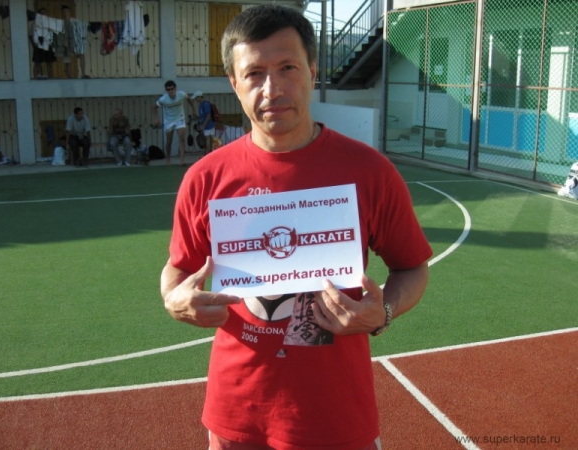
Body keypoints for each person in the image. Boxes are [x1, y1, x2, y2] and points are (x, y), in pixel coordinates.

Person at [160, 5, 432, 450]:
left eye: (287, 67)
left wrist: (383, 311)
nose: (273, 88)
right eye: (254, 73)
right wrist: (174, 299)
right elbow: (178, 268)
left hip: (336, 416)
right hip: (237, 418)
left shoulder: (369, 171)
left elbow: (412, 267)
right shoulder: (205, 178)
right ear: (234, 83)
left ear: (312, 70)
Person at [152, 80, 197, 165]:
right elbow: (154, 107)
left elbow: (189, 99)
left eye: (172, 89)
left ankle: (182, 160)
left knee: (182, 137)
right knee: (169, 140)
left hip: (180, 118)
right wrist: (156, 118)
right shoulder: (163, 99)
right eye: (168, 89)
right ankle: (168, 159)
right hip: (168, 120)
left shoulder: (181, 94)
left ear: (175, 88)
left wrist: (194, 110)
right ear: (166, 90)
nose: (170, 91)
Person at [57, 5, 88, 79]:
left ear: (69, 12)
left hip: (76, 42)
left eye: (67, 11)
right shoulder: (61, 23)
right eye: (64, 12)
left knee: (82, 55)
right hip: (65, 43)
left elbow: (80, 31)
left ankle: (83, 74)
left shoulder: (75, 21)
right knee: (67, 61)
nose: (65, 13)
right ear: (62, 13)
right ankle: (70, 77)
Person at [30, 8, 57, 79]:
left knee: (49, 63)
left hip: (48, 45)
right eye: (41, 13)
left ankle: (51, 78)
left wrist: (53, 43)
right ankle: (36, 78)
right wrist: (34, 45)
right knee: (37, 63)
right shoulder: (34, 23)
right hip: (38, 45)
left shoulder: (50, 23)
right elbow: (31, 35)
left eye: (44, 13)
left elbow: (53, 33)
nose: (43, 14)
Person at [192, 91, 215, 156]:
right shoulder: (201, 105)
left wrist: (203, 126)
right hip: (206, 125)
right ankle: (208, 154)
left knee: (207, 140)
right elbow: (202, 116)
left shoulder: (205, 104)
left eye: (196, 98)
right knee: (208, 140)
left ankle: (207, 154)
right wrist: (196, 117)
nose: (195, 100)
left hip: (208, 125)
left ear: (199, 97)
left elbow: (208, 116)